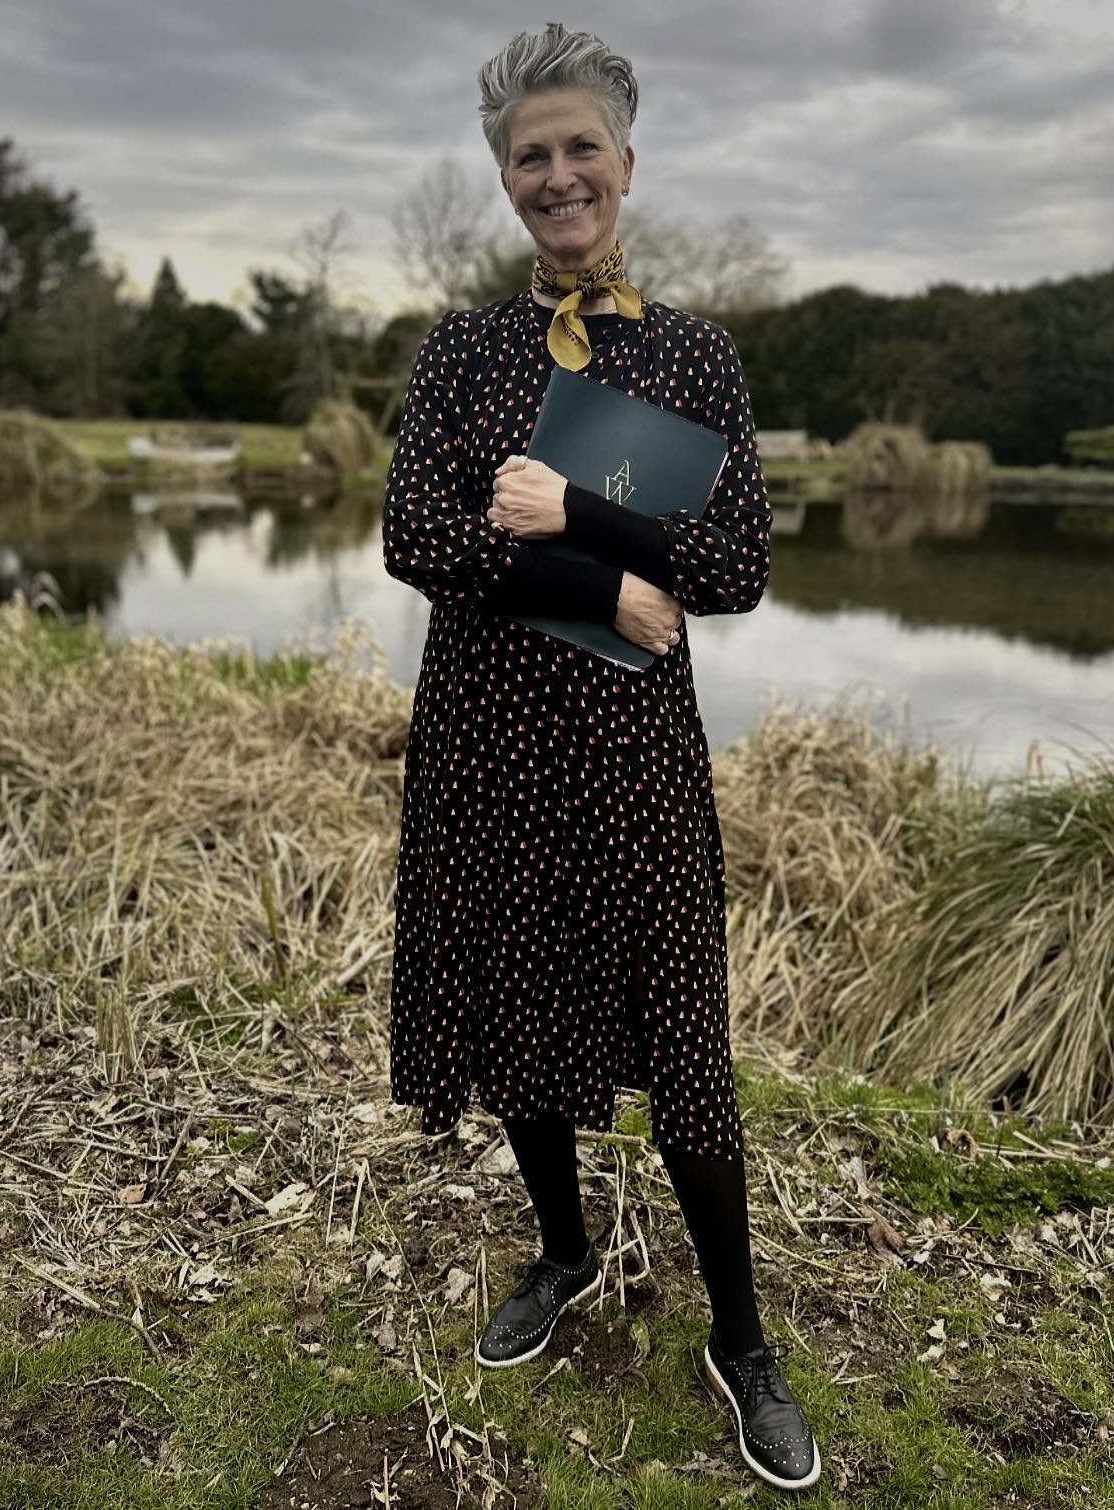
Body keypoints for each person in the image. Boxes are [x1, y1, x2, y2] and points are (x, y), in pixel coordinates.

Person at [381, 21, 820, 1494]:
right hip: (489, 733)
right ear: (504, 178)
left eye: (582, 148)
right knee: (516, 999)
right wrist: (606, 587)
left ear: (627, 163)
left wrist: (581, 518)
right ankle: (563, 1251)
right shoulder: (464, 350)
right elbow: (416, 537)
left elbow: (738, 564)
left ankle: (743, 1339)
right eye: (531, 155)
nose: (558, 174)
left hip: (632, 748)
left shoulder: (696, 356)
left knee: (684, 1037)